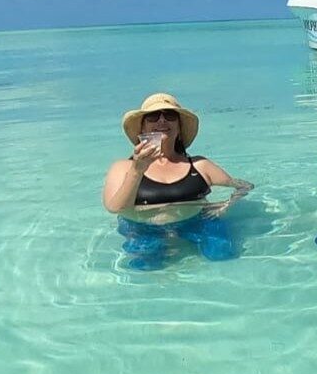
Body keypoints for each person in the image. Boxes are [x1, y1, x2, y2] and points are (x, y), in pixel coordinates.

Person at [101, 92, 251, 270]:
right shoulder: (124, 167)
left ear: (179, 128)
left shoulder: (200, 165)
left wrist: (225, 206)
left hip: (197, 222)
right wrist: (138, 169)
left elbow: (244, 186)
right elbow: (115, 207)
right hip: (142, 228)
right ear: (142, 129)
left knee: (223, 256)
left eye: (170, 116)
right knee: (145, 268)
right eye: (153, 116)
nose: (162, 121)